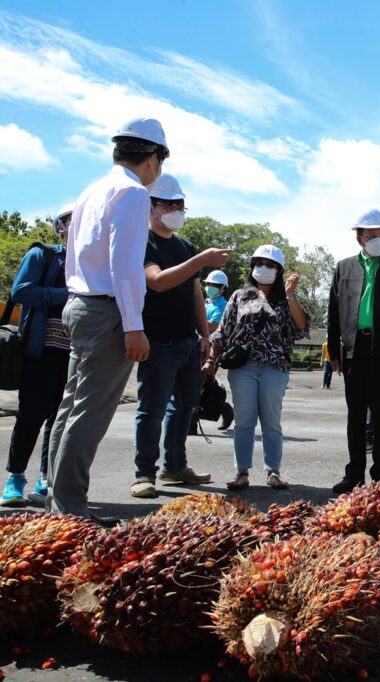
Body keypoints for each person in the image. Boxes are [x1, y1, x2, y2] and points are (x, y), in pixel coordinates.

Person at [47, 118, 168, 523]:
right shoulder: (133, 193)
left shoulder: (91, 190)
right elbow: (125, 265)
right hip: (107, 311)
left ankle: (57, 504)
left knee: (71, 408)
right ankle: (70, 509)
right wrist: (133, 325)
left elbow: (74, 255)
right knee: (90, 413)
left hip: (80, 303)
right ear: (153, 159)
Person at [130, 174, 231, 498]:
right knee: (152, 410)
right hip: (157, 340)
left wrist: (204, 336)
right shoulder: (143, 241)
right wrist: (201, 260)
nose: (176, 210)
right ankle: (144, 474)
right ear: (151, 207)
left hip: (188, 341)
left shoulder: (185, 246)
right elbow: (156, 281)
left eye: (180, 204)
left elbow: (196, 294)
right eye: (168, 204)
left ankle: (175, 466)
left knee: (184, 407)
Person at [206, 245, 308, 491]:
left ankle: (273, 471)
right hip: (244, 367)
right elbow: (222, 331)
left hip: (275, 366)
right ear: (252, 266)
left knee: (271, 421)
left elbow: (302, 327)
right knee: (244, 421)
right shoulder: (239, 296)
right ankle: (242, 471)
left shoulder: (285, 299)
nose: (264, 268)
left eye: (270, 265)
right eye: (259, 263)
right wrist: (211, 359)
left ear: (279, 270)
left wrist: (290, 295)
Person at [327, 209, 380, 494]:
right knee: (355, 415)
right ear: (359, 239)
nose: (378, 239)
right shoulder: (344, 267)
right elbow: (334, 310)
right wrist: (334, 351)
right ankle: (354, 475)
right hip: (354, 349)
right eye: (372, 235)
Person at [1, 204, 72, 507]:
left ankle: (46, 478)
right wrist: (65, 295)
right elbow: (21, 291)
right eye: (72, 221)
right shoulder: (43, 255)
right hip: (40, 352)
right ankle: (15, 479)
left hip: (73, 356)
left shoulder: (92, 264)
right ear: (60, 227)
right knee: (31, 415)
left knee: (59, 420)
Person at [203, 269, 233, 430]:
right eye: (208, 284)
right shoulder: (205, 303)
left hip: (212, 350)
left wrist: (194, 317)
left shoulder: (224, 306)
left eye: (214, 285)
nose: (210, 287)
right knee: (197, 385)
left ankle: (223, 409)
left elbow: (214, 327)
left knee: (202, 384)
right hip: (197, 347)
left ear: (222, 288)